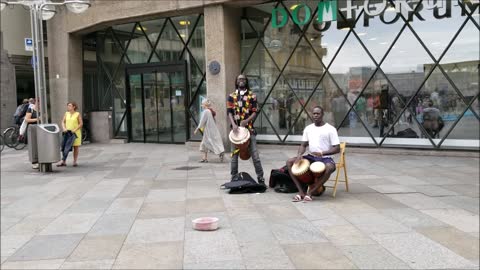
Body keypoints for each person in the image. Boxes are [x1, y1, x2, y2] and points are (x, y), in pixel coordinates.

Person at [287, 106, 340, 202]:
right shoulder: (308, 128)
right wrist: (299, 155)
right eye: (314, 113)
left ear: (322, 115)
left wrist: (322, 153)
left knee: (330, 167)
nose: (315, 115)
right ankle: (301, 192)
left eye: (318, 113)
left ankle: (310, 193)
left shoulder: (330, 129)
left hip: (325, 158)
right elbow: (303, 145)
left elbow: (337, 148)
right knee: (290, 162)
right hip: (311, 157)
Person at [227, 74, 265, 184]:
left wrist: (246, 121)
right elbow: (229, 112)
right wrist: (234, 124)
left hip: (249, 130)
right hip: (235, 131)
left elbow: (255, 111)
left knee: (255, 156)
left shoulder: (252, 96)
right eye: (239, 79)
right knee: (234, 156)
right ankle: (234, 176)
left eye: (243, 79)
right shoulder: (231, 96)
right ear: (236, 81)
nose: (241, 80)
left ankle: (260, 177)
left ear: (246, 81)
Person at [194, 98, 225, 163]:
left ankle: (220, 153)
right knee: (205, 144)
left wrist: (197, 129)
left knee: (211, 143)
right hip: (211, 130)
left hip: (209, 131)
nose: (201, 106)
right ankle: (205, 158)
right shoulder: (210, 111)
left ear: (205, 105)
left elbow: (202, 121)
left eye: (202, 104)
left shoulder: (206, 111)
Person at [56, 102, 83, 167]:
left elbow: (81, 124)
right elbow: (63, 122)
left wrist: (75, 129)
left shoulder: (77, 114)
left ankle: (75, 161)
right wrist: (64, 128)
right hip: (67, 133)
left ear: (74, 107)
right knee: (65, 146)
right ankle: (64, 161)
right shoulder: (66, 113)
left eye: (70, 106)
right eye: (68, 106)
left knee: (75, 147)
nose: (68, 107)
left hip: (75, 133)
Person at [25, 99, 40, 169]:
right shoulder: (30, 109)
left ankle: (40, 160)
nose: (40, 104)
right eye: (39, 103)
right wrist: (37, 119)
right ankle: (34, 162)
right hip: (32, 129)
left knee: (40, 145)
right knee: (33, 145)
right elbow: (27, 119)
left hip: (40, 129)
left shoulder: (43, 110)